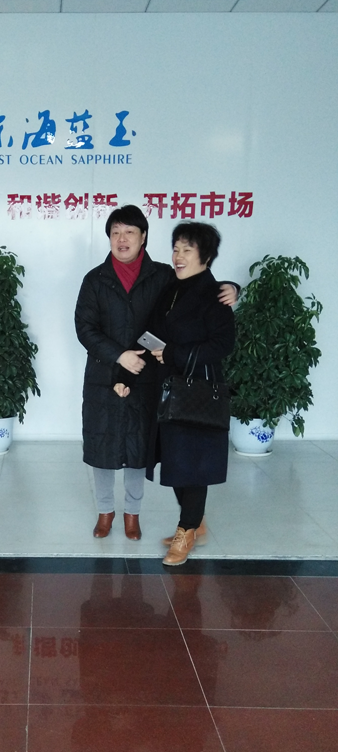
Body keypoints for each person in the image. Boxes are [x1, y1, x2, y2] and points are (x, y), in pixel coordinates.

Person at [75, 206, 237, 541]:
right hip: (106, 374)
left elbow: (199, 287)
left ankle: (132, 514)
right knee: (102, 445)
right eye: (116, 232)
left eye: (129, 232)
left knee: (139, 448)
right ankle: (105, 512)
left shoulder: (163, 275)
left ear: (143, 237)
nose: (122, 239)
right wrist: (120, 356)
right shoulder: (95, 279)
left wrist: (233, 288)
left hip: (149, 378)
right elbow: (85, 328)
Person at [145, 222, 235, 566]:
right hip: (168, 388)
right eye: (176, 248)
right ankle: (196, 523)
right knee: (175, 461)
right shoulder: (170, 287)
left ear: (206, 256)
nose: (178, 256)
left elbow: (223, 344)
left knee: (192, 464)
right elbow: (154, 329)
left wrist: (174, 354)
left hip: (197, 390)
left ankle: (186, 531)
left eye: (187, 249)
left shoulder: (215, 295)